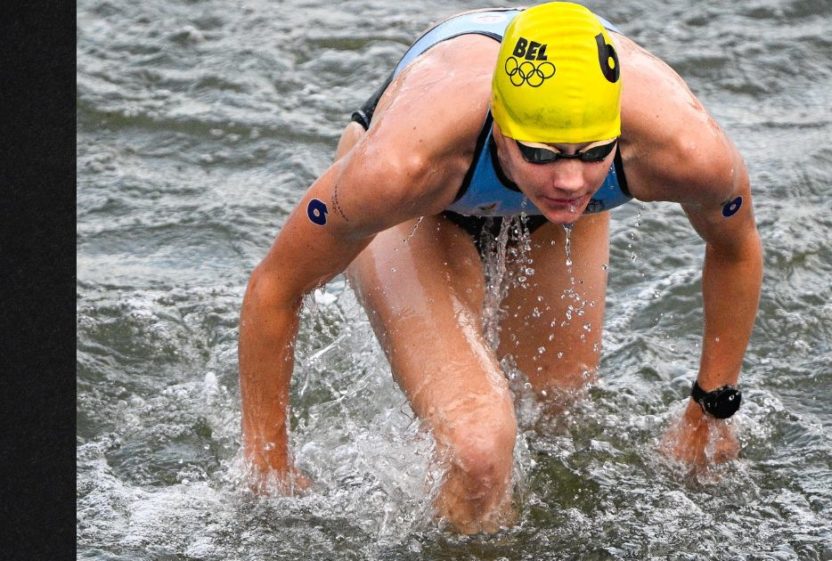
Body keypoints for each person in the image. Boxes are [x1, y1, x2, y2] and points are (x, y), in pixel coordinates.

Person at [239, 1, 763, 534]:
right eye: (542, 153)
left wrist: (709, 409)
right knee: (480, 450)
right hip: (424, 212)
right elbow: (276, 286)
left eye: (592, 154)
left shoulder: (684, 149)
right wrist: (268, 465)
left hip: (557, 224)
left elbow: (736, 247)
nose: (570, 181)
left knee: (553, 416)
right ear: (501, 131)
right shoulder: (401, 167)